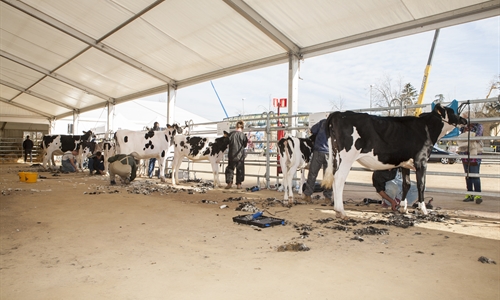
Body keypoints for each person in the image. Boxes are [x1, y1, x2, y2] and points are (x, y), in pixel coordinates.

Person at [302, 119, 332, 203]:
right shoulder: (335, 124)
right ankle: (328, 197)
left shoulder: (322, 122)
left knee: (312, 173)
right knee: (328, 175)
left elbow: (312, 130)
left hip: (318, 150)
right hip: (330, 152)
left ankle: (307, 195)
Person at [458, 112, 483, 204]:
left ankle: (477, 194)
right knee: (468, 175)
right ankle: (469, 194)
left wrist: (467, 136)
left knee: (475, 174)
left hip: (474, 154)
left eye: (465, 118)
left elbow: (477, 137)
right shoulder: (463, 127)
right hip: (465, 153)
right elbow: (460, 138)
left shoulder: (478, 126)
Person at [225, 120, 247, 189]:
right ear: (242, 127)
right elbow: (245, 145)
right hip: (240, 156)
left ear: (236, 126)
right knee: (240, 170)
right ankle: (239, 184)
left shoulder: (231, 134)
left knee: (230, 169)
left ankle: (229, 183)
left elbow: (226, 142)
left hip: (231, 155)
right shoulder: (243, 135)